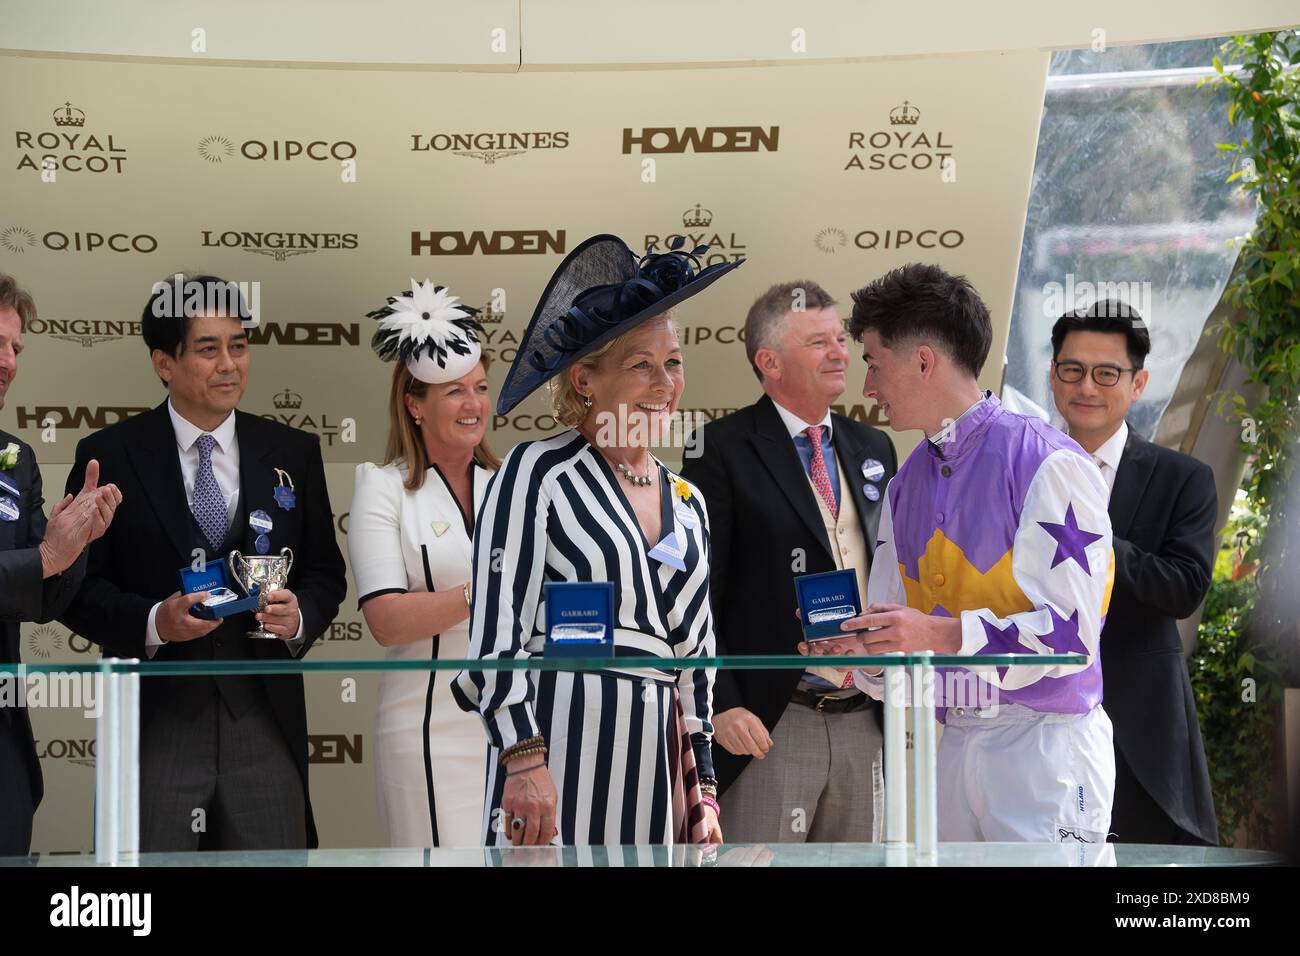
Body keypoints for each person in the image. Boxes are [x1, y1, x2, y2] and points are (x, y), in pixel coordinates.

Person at [808, 263, 1116, 843]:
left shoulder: (1048, 462)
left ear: (924, 361)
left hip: (1048, 747)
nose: (866, 388)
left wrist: (938, 635)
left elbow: (1072, 641)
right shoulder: (904, 486)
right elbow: (906, 652)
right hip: (953, 744)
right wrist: (864, 652)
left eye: (874, 364)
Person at [452, 233, 742, 846]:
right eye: (641, 364)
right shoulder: (535, 472)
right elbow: (495, 631)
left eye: (674, 362)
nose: (665, 383)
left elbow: (697, 659)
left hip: (660, 776)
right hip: (555, 762)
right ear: (585, 377)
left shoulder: (689, 503)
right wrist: (524, 762)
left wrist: (705, 788)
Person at [60, 273, 346, 851]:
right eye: (208, 349)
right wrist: (152, 622)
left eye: (238, 346)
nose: (229, 364)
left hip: (264, 719)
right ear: (164, 363)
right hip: (155, 724)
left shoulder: (294, 451)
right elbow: (75, 589)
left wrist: (300, 617)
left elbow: (325, 572)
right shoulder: (108, 456)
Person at [680, 280, 896, 842]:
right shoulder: (721, 448)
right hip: (772, 720)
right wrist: (721, 705)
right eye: (818, 342)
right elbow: (699, 593)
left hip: (864, 717)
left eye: (841, 339)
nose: (840, 352)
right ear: (768, 361)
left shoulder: (873, 447)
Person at [1050, 300, 1217, 845]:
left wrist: (1090, 543)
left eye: (1107, 374)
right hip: (1034, 722)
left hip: (1142, 729)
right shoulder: (1021, 471)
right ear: (1053, 374)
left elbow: (1184, 587)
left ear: (1138, 382)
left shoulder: (1182, 478)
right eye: (1072, 370)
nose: (1087, 387)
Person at [348, 279, 501, 847]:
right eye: (454, 391)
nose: (474, 405)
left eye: (481, 388)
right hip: (427, 726)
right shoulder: (382, 487)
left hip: (518, 727)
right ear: (415, 404)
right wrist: (487, 592)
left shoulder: (511, 485)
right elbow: (386, 619)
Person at [0, 274, 121, 856]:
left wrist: (76, 546)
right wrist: (45, 556)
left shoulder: (16, 459)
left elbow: (44, 598)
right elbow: (33, 564)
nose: (7, 361)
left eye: (16, 348)